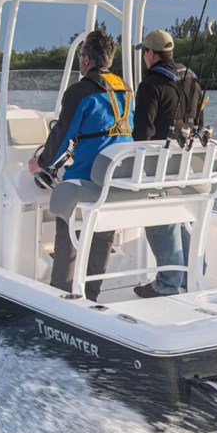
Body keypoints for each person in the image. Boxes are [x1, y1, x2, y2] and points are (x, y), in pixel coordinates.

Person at [29, 30, 133, 302]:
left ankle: (60, 293)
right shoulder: (126, 89)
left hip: (88, 177)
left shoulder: (79, 92)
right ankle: (91, 294)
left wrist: (39, 162)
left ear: (86, 59)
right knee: (102, 231)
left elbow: (62, 135)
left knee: (66, 216)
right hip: (120, 177)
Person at [131, 29, 206, 298]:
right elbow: (199, 123)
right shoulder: (192, 79)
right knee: (179, 215)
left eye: (144, 52)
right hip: (187, 166)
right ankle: (193, 272)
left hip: (159, 166)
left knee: (157, 213)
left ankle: (167, 283)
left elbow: (141, 134)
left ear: (151, 54)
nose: (143, 57)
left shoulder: (150, 84)